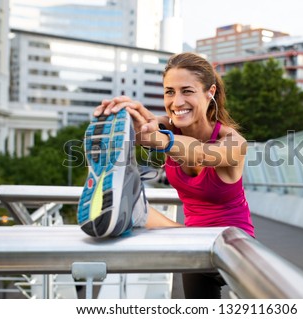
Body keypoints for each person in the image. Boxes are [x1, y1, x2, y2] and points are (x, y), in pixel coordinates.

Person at [78, 52, 255, 298]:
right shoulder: (168, 127)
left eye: (187, 91)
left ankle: (135, 209)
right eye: (169, 92)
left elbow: (201, 154)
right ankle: (132, 207)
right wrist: (125, 116)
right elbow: (146, 127)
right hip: (192, 241)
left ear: (210, 92)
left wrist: (161, 139)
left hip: (233, 244)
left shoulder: (234, 142)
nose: (177, 101)